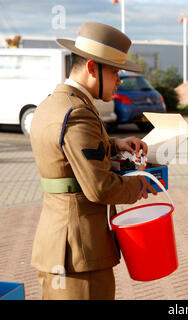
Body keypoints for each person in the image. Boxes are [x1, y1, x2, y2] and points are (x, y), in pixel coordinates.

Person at [30, 22, 157, 300]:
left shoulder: (53, 104)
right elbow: (99, 188)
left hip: (60, 248)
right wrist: (142, 185)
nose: (119, 81)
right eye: (115, 72)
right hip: (80, 253)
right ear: (91, 68)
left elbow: (66, 156)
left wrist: (115, 146)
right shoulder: (78, 113)